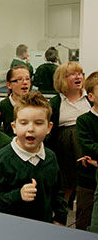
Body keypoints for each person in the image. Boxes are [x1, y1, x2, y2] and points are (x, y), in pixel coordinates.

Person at [0, 91, 67, 225]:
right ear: (14, 127)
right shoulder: (3, 158)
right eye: (23, 123)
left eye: (39, 123)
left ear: (49, 127)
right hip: (11, 228)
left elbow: (57, 193)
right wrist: (18, 195)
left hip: (44, 226)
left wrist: (60, 218)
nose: (31, 129)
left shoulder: (50, 157)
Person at [47, 62, 91, 203]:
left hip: (86, 145)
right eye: (72, 74)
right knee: (65, 185)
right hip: (63, 150)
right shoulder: (55, 102)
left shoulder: (90, 99)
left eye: (80, 73)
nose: (78, 77)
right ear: (62, 79)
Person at [76, 71, 98, 231]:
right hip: (88, 178)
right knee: (85, 221)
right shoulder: (84, 121)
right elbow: (88, 146)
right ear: (91, 97)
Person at [0, 65, 31, 137]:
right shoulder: (3, 106)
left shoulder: (35, 104)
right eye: (19, 79)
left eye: (27, 79)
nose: (25, 82)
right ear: (9, 85)